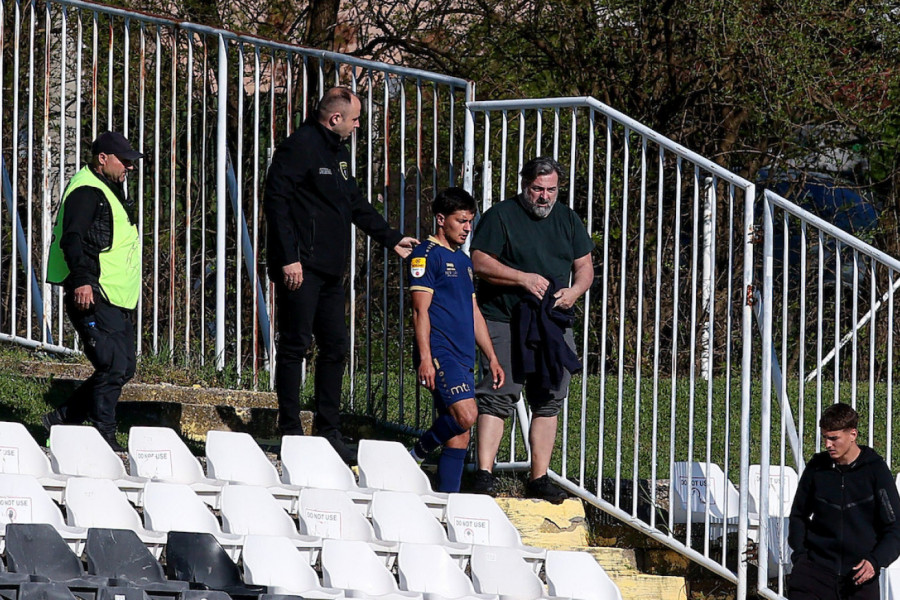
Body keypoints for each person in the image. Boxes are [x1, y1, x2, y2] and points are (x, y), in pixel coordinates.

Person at [264, 86, 418, 464]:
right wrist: (288, 258)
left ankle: (328, 429)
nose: (357, 124)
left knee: (335, 347)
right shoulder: (298, 147)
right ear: (335, 119)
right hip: (301, 266)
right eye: (354, 118)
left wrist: (391, 239)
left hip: (332, 268)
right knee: (295, 345)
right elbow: (276, 202)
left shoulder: (339, 152)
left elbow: (353, 203)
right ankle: (289, 429)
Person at [469, 156, 594, 503]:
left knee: (550, 397)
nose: (544, 197)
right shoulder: (501, 215)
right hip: (504, 317)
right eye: (538, 189)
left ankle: (539, 477)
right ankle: (484, 474)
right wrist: (521, 278)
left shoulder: (568, 219)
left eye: (551, 189)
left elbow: (584, 267)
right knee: (499, 392)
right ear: (524, 186)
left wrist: (575, 291)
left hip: (551, 320)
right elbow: (479, 261)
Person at [43, 131, 143, 452]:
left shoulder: (108, 190)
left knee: (123, 366)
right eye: (124, 161)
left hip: (113, 295)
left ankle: (61, 420)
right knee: (113, 365)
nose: (129, 167)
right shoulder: (87, 191)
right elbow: (72, 238)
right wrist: (83, 280)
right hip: (92, 291)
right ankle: (104, 438)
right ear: (103, 159)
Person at [407, 187, 504, 493]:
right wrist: (425, 358)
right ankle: (415, 454)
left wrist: (491, 356)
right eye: (461, 220)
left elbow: (473, 310)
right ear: (440, 219)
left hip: (463, 356)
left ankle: (448, 501)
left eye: (469, 221)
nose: (467, 228)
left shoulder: (462, 261)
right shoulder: (425, 256)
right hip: (440, 353)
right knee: (467, 415)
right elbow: (419, 312)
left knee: (459, 433)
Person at [788, 402, 900, 600]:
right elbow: (798, 515)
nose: (828, 445)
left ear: (853, 434)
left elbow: (895, 527)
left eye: (834, 438)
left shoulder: (876, 470)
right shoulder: (817, 467)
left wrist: (875, 561)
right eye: (825, 438)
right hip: (813, 574)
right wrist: (801, 557)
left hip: (859, 578)